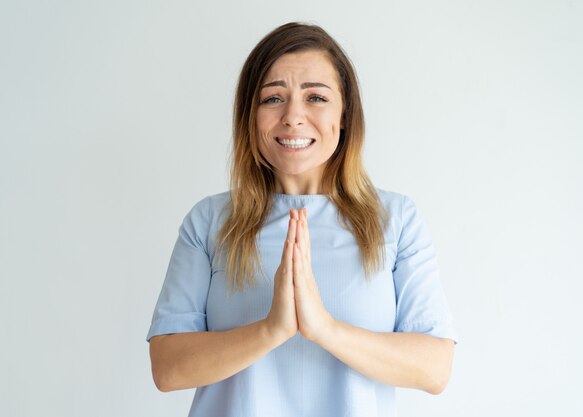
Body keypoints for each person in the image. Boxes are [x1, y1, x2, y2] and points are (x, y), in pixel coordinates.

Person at [146, 22, 458, 417]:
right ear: (251, 116)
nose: (293, 117)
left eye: (315, 97)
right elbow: (167, 368)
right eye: (273, 98)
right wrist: (270, 329)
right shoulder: (209, 222)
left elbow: (434, 368)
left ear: (345, 114)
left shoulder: (395, 220)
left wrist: (324, 329)